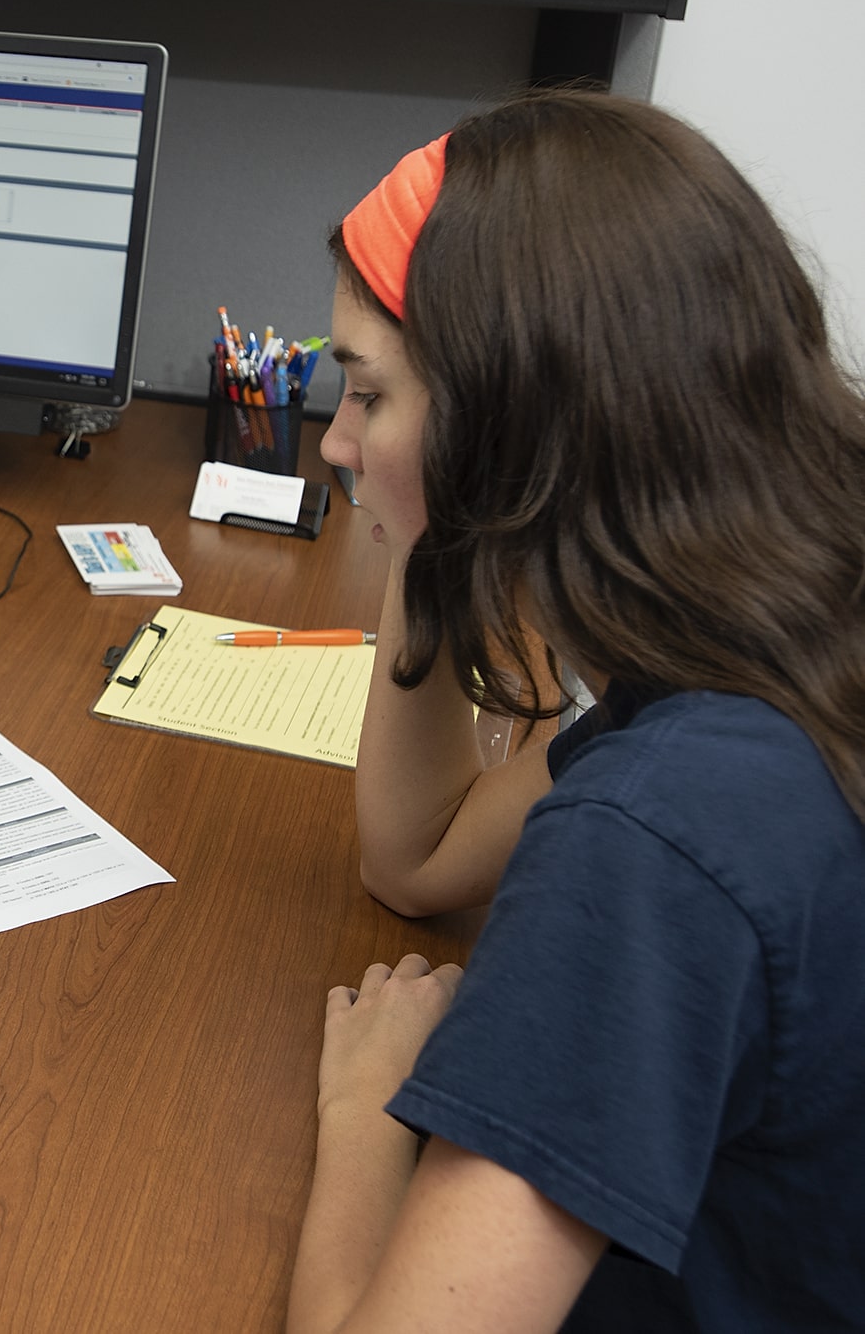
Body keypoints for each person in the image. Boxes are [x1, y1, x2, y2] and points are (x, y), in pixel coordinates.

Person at [287, 91, 865, 1331]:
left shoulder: (655, 832)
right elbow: (418, 859)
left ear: (513, 428)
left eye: (369, 395)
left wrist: (365, 1109)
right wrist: (433, 525)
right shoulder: (779, 646)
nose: (335, 443)